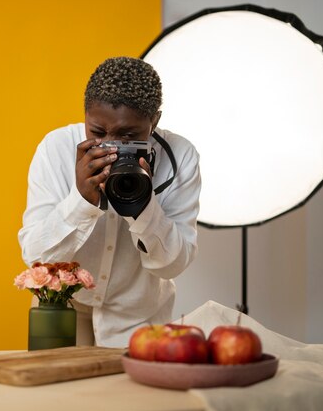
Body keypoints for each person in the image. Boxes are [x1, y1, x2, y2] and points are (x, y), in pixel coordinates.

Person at [18, 56, 201, 348]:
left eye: (129, 135)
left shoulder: (180, 157)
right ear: (85, 115)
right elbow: (36, 258)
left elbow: (172, 266)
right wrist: (81, 201)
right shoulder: (56, 148)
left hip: (138, 321)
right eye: (98, 133)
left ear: (154, 121)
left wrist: (144, 209)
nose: (112, 146)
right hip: (63, 310)